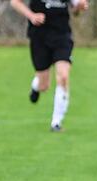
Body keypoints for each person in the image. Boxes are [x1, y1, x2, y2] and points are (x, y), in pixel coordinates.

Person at [10, 0, 88, 131]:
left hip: (62, 36)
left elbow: (76, 11)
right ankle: (36, 86)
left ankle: (56, 122)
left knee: (63, 76)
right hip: (39, 37)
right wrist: (31, 16)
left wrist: (79, 8)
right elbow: (14, 2)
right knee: (44, 85)